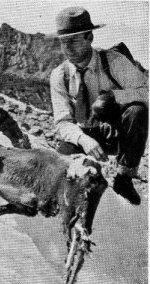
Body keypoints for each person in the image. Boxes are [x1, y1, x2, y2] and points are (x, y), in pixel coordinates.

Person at [50, 6, 148, 205]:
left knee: (137, 111)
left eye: (74, 41)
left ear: (89, 38)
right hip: (86, 135)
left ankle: (125, 175)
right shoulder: (60, 75)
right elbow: (62, 123)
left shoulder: (113, 61)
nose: (68, 48)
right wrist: (83, 140)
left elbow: (145, 92)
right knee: (60, 170)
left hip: (119, 133)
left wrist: (113, 97)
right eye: (63, 42)